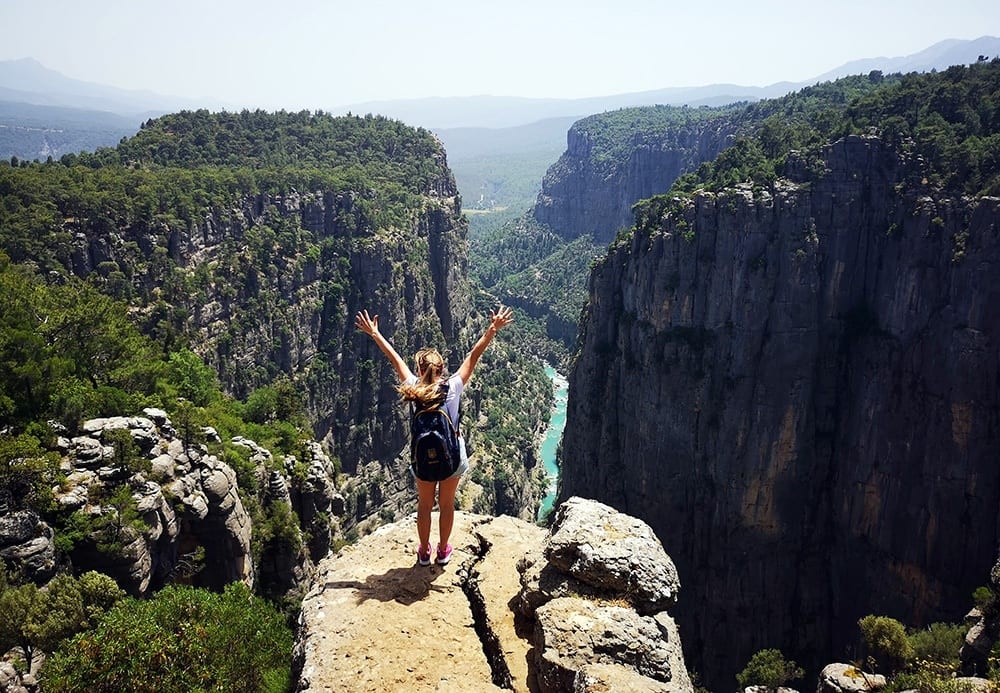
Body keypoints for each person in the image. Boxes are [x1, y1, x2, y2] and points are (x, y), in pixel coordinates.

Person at [354, 305, 514, 566]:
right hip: (451, 457)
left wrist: (375, 333)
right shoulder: (453, 386)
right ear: (442, 369)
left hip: (423, 459)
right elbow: (474, 355)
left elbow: (394, 359)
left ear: (420, 370)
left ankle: (424, 553)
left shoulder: (413, 387)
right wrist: (492, 329)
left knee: (425, 505)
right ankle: (443, 552)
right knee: (447, 504)